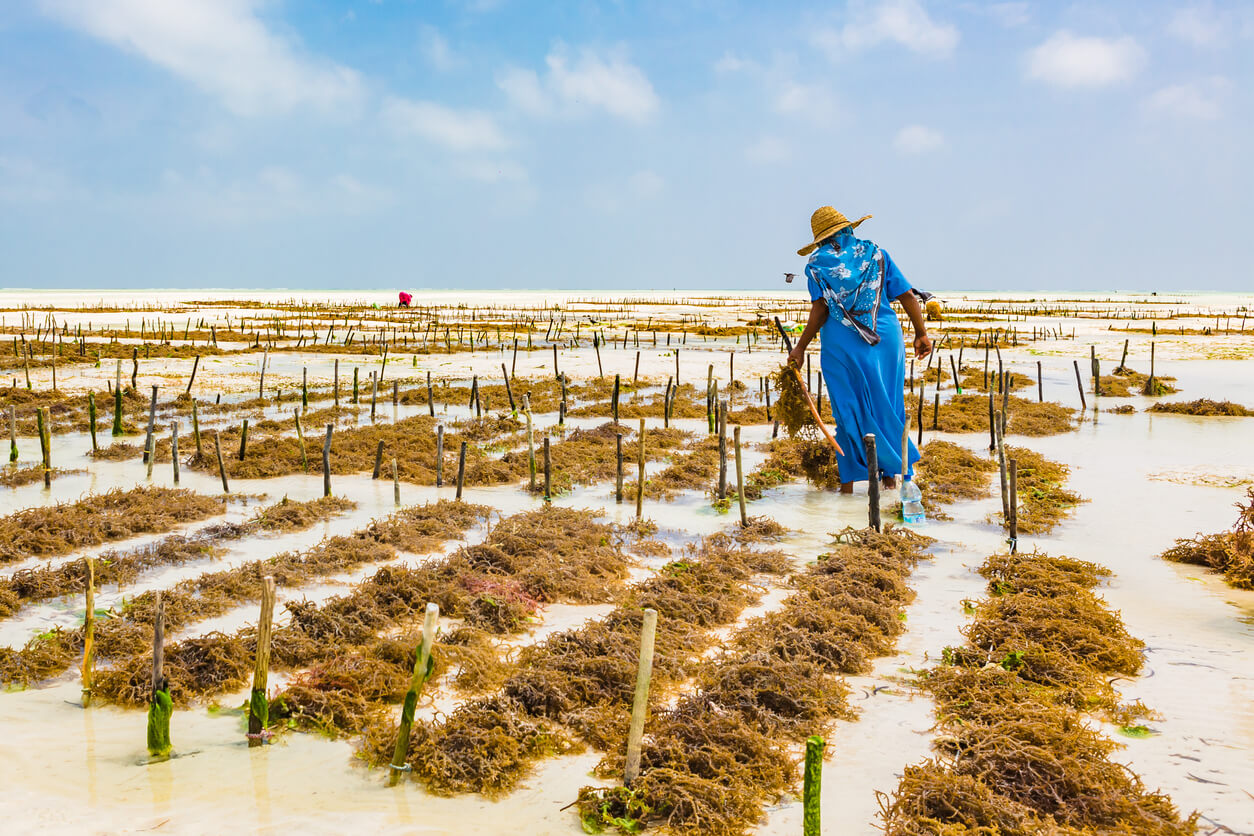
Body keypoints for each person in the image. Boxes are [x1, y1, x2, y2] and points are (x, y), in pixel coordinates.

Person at [787, 206, 932, 494]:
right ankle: (891, 478)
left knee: (847, 408)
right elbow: (906, 294)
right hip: (884, 338)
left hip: (841, 344)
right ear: (849, 230)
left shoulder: (817, 264)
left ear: (819, 240)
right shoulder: (877, 254)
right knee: (887, 405)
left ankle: (848, 487)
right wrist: (921, 333)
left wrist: (800, 347)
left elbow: (820, 309)